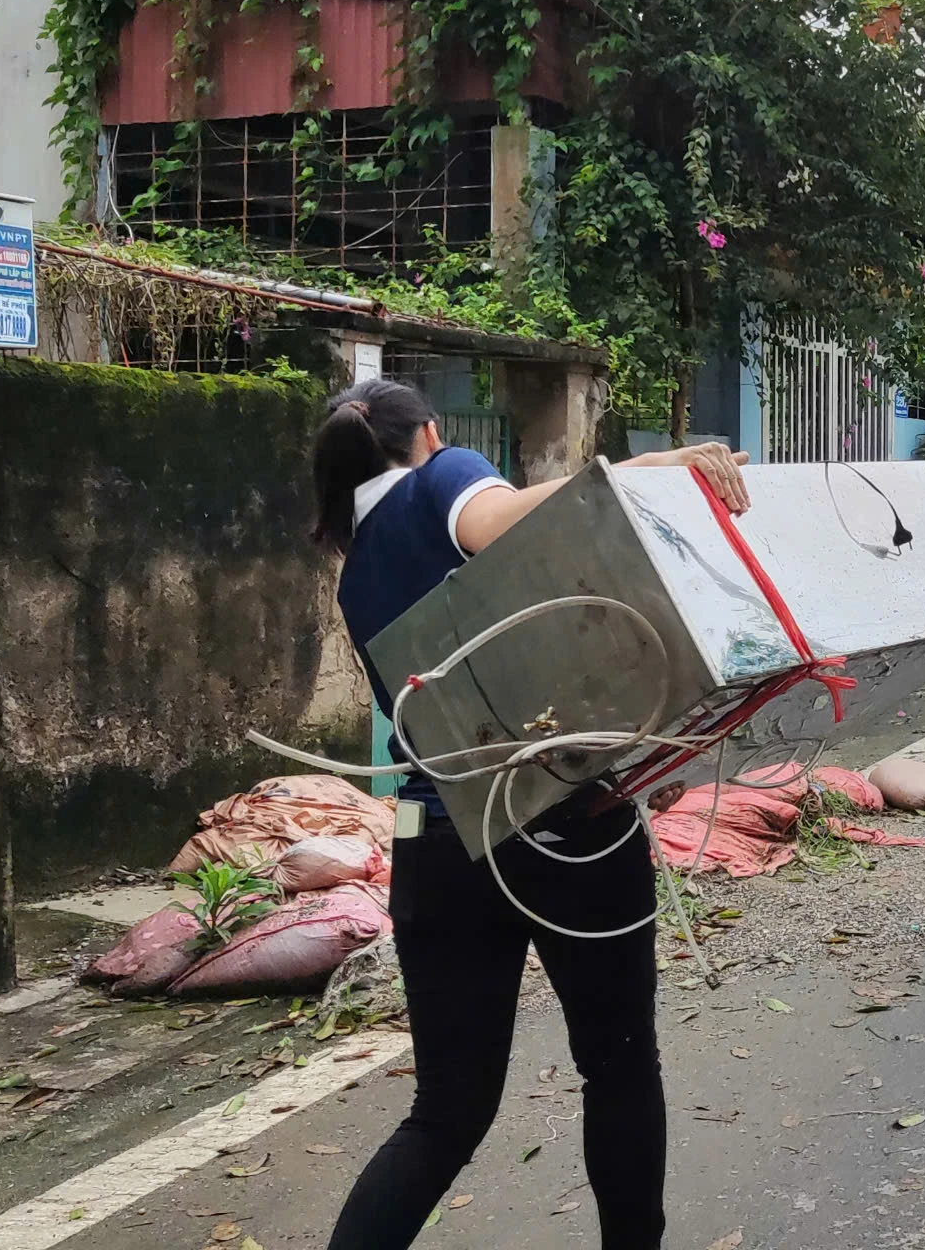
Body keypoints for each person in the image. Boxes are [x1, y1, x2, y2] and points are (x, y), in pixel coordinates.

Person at [312, 377, 750, 1250]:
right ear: (429, 435)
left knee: (446, 1112)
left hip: (435, 841)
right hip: (559, 820)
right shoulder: (443, 480)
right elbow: (513, 520)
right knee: (619, 1065)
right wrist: (649, 469)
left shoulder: (356, 571)